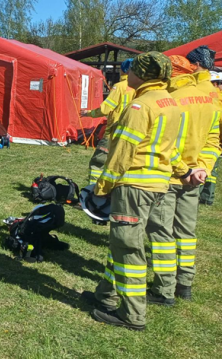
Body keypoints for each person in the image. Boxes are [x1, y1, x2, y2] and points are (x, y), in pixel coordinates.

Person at [82, 52, 182, 331]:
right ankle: (106, 295)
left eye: (132, 71)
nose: (128, 76)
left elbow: (123, 151)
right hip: (159, 185)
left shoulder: (140, 106)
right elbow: (171, 146)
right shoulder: (171, 103)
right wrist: (184, 170)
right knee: (121, 245)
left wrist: (102, 188)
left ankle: (132, 314)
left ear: (142, 75)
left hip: (135, 185)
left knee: (127, 249)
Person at [146, 55, 221, 306]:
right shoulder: (210, 100)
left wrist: (183, 169)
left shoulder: (170, 99)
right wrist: (202, 168)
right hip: (195, 178)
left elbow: (162, 142)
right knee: (187, 232)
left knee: (161, 232)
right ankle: (185, 283)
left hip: (168, 175)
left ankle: (163, 290)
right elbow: (213, 141)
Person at [82, 59, 136, 185]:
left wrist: (89, 113)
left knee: (98, 162)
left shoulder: (120, 86)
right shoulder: (141, 87)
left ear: (122, 70)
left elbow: (105, 109)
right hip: (132, 133)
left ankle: (93, 193)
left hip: (114, 132)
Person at [188, 46, 222, 205]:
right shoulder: (213, 93)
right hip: (211, 138)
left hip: (200, 138)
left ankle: (201, 195)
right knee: (208, 167)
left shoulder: (197, 89)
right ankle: (205, 197)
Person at [200, 71, 222, 205]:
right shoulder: (217, 98)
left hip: (206, 137)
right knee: (212, 170)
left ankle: (203, 195)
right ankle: (208, 197)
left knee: (204, 167)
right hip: (215, 139)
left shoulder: (204, 95)